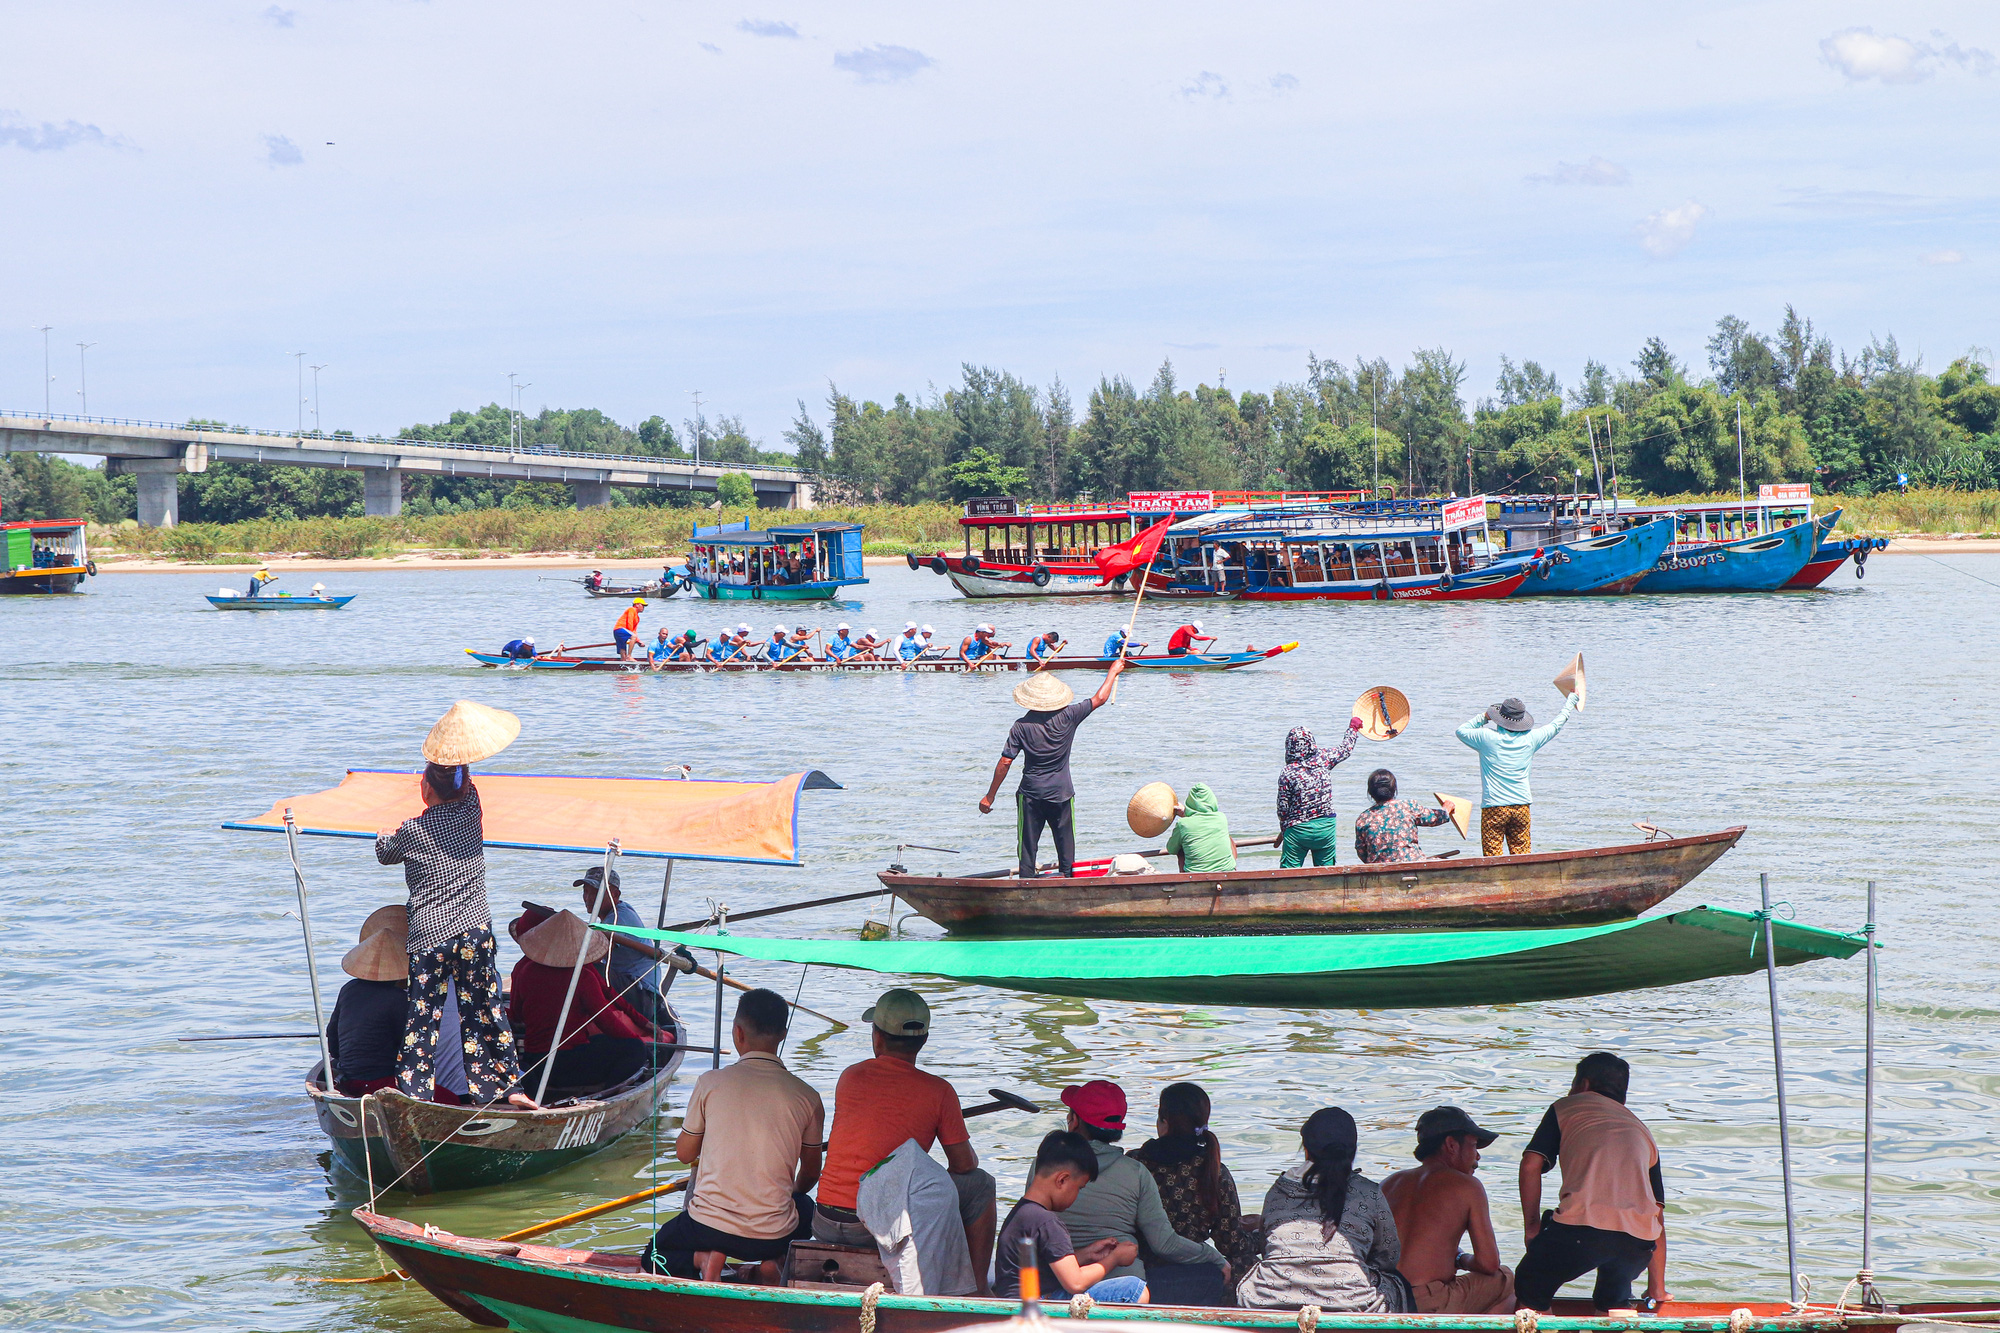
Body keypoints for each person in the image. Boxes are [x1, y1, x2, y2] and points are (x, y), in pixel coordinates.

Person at [375, 701, 536, 1109]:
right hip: (473, 932)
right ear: (465, 786)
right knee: (485, 1011)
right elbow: (464, 784)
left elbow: (384, 854)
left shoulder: (412, 829)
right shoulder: (469, 813)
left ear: (425, 790)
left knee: (422, 1019)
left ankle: (416, 1095)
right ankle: (508, 1088)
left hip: (430, 936)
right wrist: (456, 758)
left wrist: (381, 834)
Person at [813, 988, 997, 1295]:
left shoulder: (850, 1077)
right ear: (923, 1041)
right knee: (981, 1184)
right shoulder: (940, 1091)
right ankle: (977, 1288)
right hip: (873, 1224)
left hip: (826, 1218)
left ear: (877, 1037)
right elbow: (964, 1166)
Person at [639, 989, 823, 1278]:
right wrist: (787, 1196)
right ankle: (774, 1260)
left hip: (708, 1230)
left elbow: (684, 1154)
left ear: (737, 1033)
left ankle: (703, 1260)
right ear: (783, 1034)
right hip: (774, 1233)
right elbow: (811, 1173)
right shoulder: (808, 1096)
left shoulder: (710, 1083)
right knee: (805, 1207)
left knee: (653, 1256)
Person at [1515, 1052, 1668, 1314]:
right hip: (1637, 1242)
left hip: (1580, 1230)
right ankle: (1615, 1308)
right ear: (1623, 1095)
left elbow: (1531, 1164)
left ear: (1583, 1085)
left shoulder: (1566, 1106)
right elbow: (1657, 1213)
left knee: (1530, 1285)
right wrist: (1658, 1286)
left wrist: (1532, 1227)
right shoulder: (1642, 1130)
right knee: (1613, 1302)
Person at [1055, 1079, 1225, 1295]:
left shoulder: (1046, 1166)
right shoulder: (1135, 1170)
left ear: (1074, 1121)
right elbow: (1164, 1244)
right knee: (1211, 1276)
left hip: (1059, 1278)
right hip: (1126, 1287)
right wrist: (1213, 1257)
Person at [1236, 1107, 1412, 1312]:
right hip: (1353, 1302)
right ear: (1352, 1151)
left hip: (1269, 1298)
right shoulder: (1369, 1192)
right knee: (1396, 1283)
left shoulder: (1279, 1189)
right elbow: (1388, 1256)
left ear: (1306, 1149)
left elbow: (1267, 1245)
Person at [979, 658, 1128, 879]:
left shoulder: (1021, 726)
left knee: (1027, 848)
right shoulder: (1069, 716)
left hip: (1031, 794)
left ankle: (1026, 885)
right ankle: (1067, 882)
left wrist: (990, 796)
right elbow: (1100, 698)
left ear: (1029, 700)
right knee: (1066, 845)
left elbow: (1005, 762)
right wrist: (1113, 671)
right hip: (1062, 793)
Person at [510, 908, 672, 1091]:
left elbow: (517, 1015)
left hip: (535, 1061)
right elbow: (606, 1021)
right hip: (565, 1063)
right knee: (633, 1049)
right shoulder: (582, 975)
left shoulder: (524, 971)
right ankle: (609, 1091)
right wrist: (641, 1046)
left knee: (606, 1042)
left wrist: (641, 1023)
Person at [1129, 1082, 1257, 1306]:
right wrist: (1264, 1237)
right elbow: (1230, 1243)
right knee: (1246, 1262)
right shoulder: (1213, 1169)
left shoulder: (1134, 1163)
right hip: (1195, 1269)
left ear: (1164, 1121)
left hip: (1139, 1268)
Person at [1382, 1107, 1515, 1314]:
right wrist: (1460, 1259)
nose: (1478, 1156)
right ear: (1451, 1145)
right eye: (1473, 1145)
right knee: (1505, 1279)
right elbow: (1489, 1263)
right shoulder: (1468, 1186)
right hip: (1429, 1302)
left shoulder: (1389, 1183)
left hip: (1384, 1297)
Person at [996, 1131, 1147, 1305]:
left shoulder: (1022, 1213)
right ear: (1062, 1180)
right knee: (1135, 1289)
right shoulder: (1047, 1222)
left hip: (1014, 1306)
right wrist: (1115, 1259)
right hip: (1039, 1305)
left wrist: (1089, 1254)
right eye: (1079, 1188)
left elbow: (1048, 1266)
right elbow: (1075, 1282)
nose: (1077, 1196)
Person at [1455, 693, 1578, 857]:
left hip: (1494, 808)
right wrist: (1571, 701)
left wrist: (1484, 717)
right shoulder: (1531, 738)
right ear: (1521, 721)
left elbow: (1461, 731)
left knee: (1493, 858)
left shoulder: (1486, 737)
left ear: (1499, 718)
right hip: (1521, 807)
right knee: (1522, 856)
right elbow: (1556, 725)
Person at [578, 865, 695, 1029]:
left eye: (595, 893)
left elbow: (592, 956)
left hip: (643, 998)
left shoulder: (619, 918)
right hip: (635, 992)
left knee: (589, 971)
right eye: (586, 891)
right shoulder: (611, 918)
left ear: (615, 894)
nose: (588, 898)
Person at [324, 911, 409, 1097]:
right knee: (449, 1097)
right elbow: (408, 1047)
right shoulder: (398, 999)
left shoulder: (349, 989)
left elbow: (332, 1038)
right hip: (380, 1082)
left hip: (350, 1078)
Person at [1276, 720, 1364, 868]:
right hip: (1325, 829)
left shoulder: (1288, 772)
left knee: (1288, 875)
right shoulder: (1324, 758)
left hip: (1298, 831)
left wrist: (1285, 830)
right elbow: (1345, 749)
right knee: (1326, 872)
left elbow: (1282, 810)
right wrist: (1353, 729)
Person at [1352, 769, 1454, 865]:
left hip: (1379, 870)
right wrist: (1446, 809)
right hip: (1413, 863)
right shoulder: (1408, 807)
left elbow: (1361, 852)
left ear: (1370, 793)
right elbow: (1436, 818)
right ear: (1394, 789)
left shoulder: (1363, 819)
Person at [1164, 783, 1237, 873]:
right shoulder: (1222, 818)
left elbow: (1171, 849)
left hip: (1195, 875)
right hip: (1227, 872)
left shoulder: (1183, 824)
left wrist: (1186, 815)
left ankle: (1184, 877)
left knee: (1181, 848)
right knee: (1229, 839)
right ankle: (1232, 869)